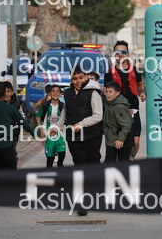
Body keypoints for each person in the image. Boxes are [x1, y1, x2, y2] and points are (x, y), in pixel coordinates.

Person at [64, 66, 103, 215]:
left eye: (81, 77)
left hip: (92, 135)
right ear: (71, 80)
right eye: (75, 78)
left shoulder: (93, 92)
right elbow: (65, 112)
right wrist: (57, 127)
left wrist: (82, 124)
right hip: (73, 136)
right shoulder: (67, 93)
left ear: (86, 77)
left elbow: (98, 115)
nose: (78, 81)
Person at [104, 40, 145, 159]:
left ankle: (129, 160)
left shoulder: (135, 71)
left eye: (123, 52)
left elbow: (140, 85)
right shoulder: (109, 73)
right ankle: (122, 162)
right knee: (117, 142)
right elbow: (106, 92)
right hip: (116, 112)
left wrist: (142, 93)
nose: (120, 54)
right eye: (117, 52)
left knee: (135, 143)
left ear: (128, 54)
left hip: (133, 110)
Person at [36, 85, 66, 168]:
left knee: (62, 153)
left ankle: (60, 166)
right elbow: (38, 116)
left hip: (60, 135)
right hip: (48, 134)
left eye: (57, 91)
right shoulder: (45, 105)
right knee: (50, 158)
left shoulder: (63, 106)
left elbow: (66, 119)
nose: (55, 93)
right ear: (50, 93)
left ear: (60, 94)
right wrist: (41, 130)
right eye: (53, 91)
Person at [103, 82, 133, 162]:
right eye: (106, 92)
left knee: (120, 164)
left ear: (117, 93)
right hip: (112, 140)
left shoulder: (119, 107)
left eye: (110, 92)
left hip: (121, 140)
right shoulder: (109, 104)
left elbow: (126, 125)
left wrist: (120, 139)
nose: (107, 94)